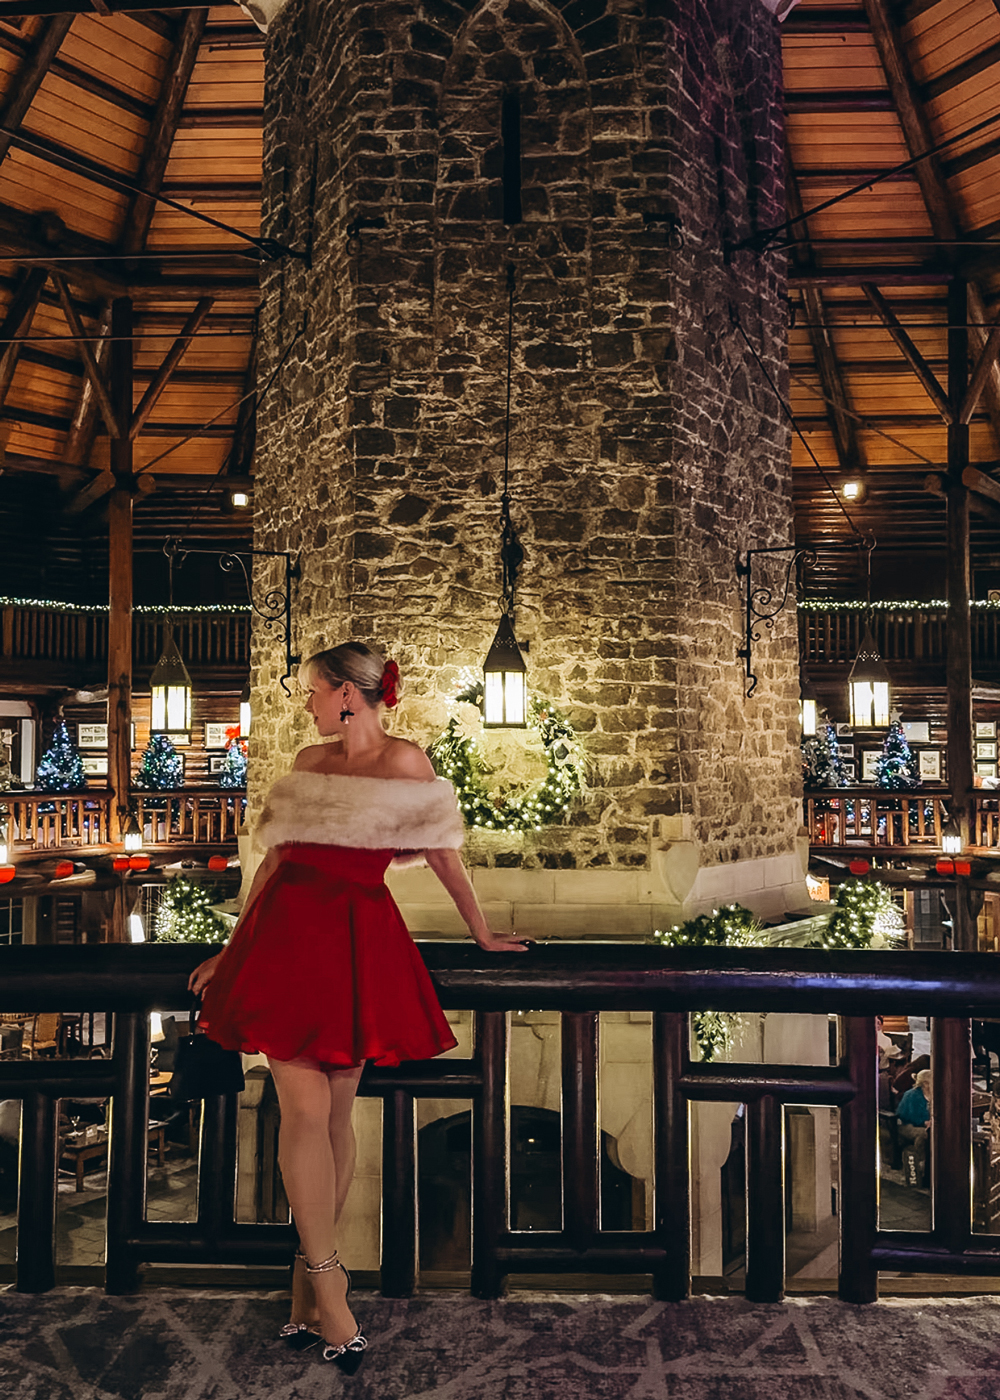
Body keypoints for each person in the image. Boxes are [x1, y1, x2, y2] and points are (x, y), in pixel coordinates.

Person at [189, 643, 527, 1373]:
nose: (306, 703)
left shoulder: (406, 763)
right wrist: (231, 946)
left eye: (314, 690)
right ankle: (327, 1284)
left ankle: (305, 1287)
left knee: (338, 1118)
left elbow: (443, 853)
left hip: (357, 941)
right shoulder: (309, 765)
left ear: (348, 693)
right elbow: (274, 862)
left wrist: (483, 934)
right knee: (307, 1115)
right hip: (285, 941)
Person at [896, 1067, 932, 1187]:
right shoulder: (911, 1095)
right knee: (923, 1135)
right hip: (907, 1125)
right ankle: (920, 1166)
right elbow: (906, 1115)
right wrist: (924, 1122)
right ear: (925, 1083)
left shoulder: (934, 1095)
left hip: (928, 1125)